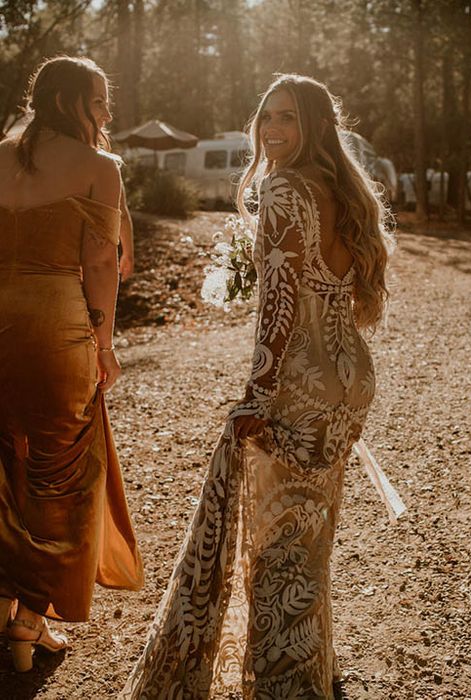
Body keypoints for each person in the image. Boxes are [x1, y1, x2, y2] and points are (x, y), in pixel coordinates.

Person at [121, 74, 394, 698]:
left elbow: (278, 307)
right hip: (349, 379)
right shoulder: (340, 189)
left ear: (316, 127)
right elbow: (337, 299)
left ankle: (285, 686)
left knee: (277, 549)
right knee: (311, 536)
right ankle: (311, 669)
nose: (273, 130)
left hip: (297, 386)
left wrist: (258, 396)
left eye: (289, 119)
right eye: (268, 116)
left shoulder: (283, 189)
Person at [0, 56, 144, 673]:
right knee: (58, 469)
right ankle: (30, 625)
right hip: (56, 324)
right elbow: (100, 265)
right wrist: (105, 344)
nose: (107, 113)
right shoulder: (100, 168)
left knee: (4, 459)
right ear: (70, 103)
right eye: (100, 101)